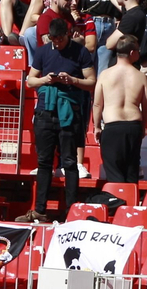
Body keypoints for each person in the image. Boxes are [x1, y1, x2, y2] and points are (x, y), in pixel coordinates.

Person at [21, 18, 95, 223]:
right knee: (44, 162)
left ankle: (71, 210)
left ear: (68, 35)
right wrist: (46, 79)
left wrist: (72, 80)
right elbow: (30, 80)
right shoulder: (44, 51)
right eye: (53, 39)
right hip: (46, 110)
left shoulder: (80, 52)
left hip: (68, 110)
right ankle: (39, 209)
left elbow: (91, 82)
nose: (57, 43)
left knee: (70, 161)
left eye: (60, 39)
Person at [93, 37, 147, 184]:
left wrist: (97, 126)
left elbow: (97, 104)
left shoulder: (105, 75)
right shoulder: (141, 76)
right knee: (131, 173)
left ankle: (118, 204)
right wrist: (144, 127)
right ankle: (130, 205)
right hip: (133, 126)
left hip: (112, 126)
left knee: (114, 173)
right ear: (132, 52)